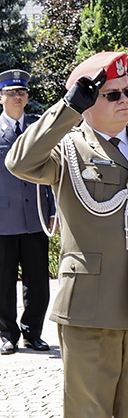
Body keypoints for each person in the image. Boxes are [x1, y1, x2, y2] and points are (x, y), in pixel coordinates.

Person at [6, 51, 128, 418]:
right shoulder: (67, 149)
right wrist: (66, 109)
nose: (125, 100)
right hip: (89, 309)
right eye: (111, 95)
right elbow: (20, 162)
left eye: (127, 92)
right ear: (87, 101)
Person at [0, 69, 54, 355]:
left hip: (36, 216)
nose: (17, 97)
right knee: (3, 281)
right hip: (3, 218)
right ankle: (7, 334)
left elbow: (53, 170)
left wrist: (53, 209)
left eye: (21, 92)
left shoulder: (37, 128)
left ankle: (33, 333)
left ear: (27, 96)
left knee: (38, 281)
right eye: (11, 92)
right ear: (1, 97)